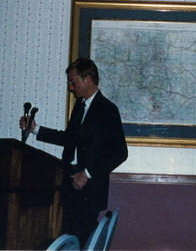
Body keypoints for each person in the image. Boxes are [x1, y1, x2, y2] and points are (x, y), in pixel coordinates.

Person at [20, 58, 128, 246]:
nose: (70, 87)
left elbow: (120, 153)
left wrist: (87, 173)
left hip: (90, 191)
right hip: (71, 185)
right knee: (70, 241)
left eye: (73, 82)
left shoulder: (108, 109)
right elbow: (69, 139)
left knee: (80, 240)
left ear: (87, 79)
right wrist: (35, 129)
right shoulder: (79, 107)